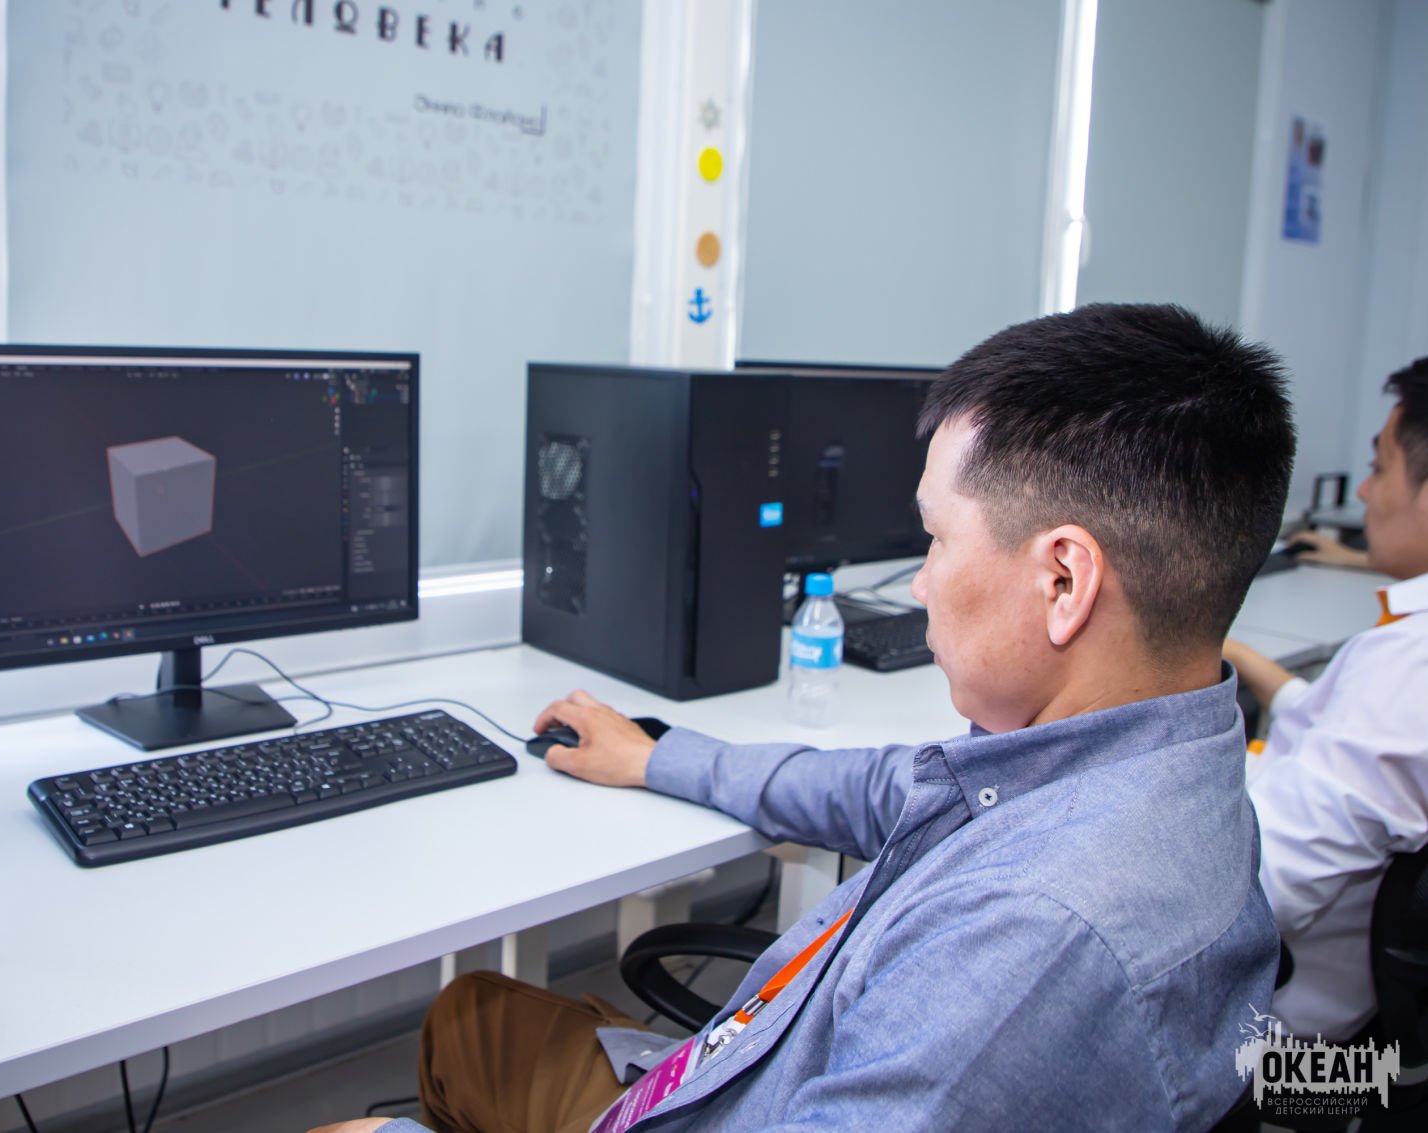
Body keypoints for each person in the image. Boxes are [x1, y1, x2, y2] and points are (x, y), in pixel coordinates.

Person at [312, 304, 1293, 1133]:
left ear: (1063, 579)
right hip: (751, 1067)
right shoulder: (1167, 762)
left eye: (935, 538)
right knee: (473, 1014)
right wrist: (658, 756)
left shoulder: (1027, 944)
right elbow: (887, 785)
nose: (919, 582)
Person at [1224, 357, 1428, 1041]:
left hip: (1287, 1037)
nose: (1365, 491)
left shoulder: (1410, 669)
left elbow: (1257, 888)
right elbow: (1350, 742)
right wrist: (1244, 659)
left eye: (1379, 468)